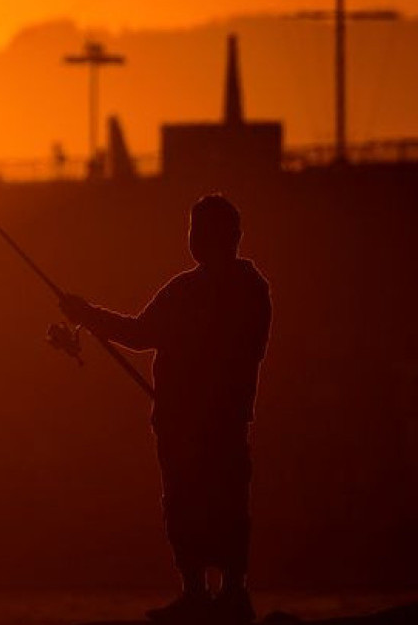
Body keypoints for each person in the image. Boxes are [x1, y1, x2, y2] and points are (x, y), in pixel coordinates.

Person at [61, 194, 272, 623]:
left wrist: (87, 314)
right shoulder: (240, 290)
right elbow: (145, 334)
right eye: (193, 232)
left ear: (229, 237)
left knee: (212, 505)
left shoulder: (211, 291)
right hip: (188, 422)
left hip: (209, 423)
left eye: (201, 232)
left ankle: (223, 595)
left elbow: (140, 334)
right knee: (191, 505)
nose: (195, 241)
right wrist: (87, 316)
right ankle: (206, 594)